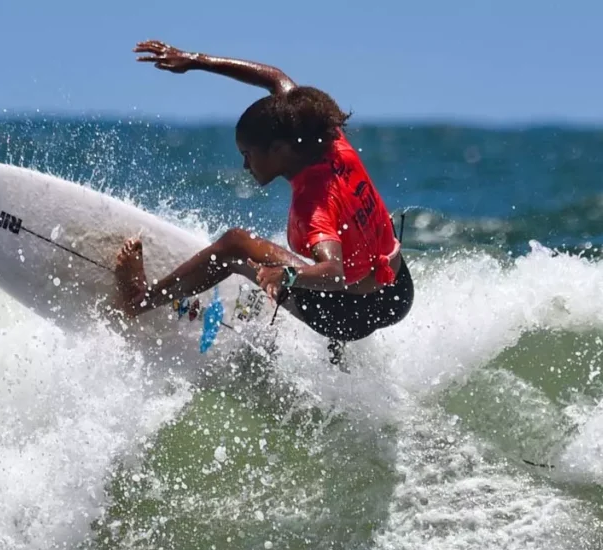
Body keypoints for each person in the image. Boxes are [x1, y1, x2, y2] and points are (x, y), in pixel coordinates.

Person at [114, 39, 414, 347]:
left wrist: (286, 276)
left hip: (347, 315)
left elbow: (334, 273)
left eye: (248, 154)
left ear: (279, 149)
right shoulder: (326, 137)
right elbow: (275, 78)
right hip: (398, 292)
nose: (245, 165)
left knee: (235, 245)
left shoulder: (314, 204)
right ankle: (335, 350)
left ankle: (139, 300)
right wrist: (196, 60)